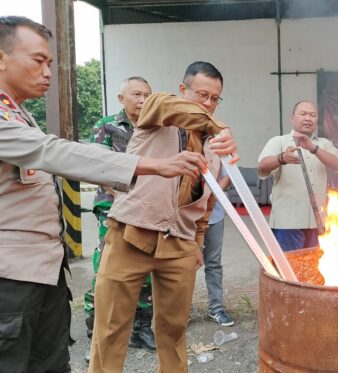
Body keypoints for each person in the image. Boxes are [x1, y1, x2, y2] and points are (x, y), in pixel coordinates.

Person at [0, 16, 214, 372]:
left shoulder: (19, 115)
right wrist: (154, 165)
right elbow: (55, 152)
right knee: (105, 332)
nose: (48, 72)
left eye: (51, 63)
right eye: (39, 61)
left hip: (45, 273)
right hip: (12, 278)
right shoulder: (157, 110)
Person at [89, 61, 237, 372]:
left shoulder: (213, 147)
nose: (208, 104)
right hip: (131, 234)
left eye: (215, 98)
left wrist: (197, 243)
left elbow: (206, 204)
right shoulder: (157, 109)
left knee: (173, 332)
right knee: (111, 330)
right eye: (202, 95)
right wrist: (218, 125)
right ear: (183, 90)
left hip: (180, 246)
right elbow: (173, 106)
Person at [84, 77, 155, 358]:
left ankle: (140, 327)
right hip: (112, 207)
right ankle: (95, 326)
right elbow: (96, 165)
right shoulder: (107, 126)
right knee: (108, 266)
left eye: (147, 95)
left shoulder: (155, 127)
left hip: (147, 210)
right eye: (136, 94)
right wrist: (122, 198)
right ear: (121, 98)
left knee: (145, 267)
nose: (142, 99)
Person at [257, 100, 338, 251]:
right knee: (289, 271)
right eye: (303, 114)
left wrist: (313, 148)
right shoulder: (279, 142)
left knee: (316, 271)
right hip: (288, 224)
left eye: (312, 115)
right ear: (292, 118)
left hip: (318, 224)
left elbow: (337, 164)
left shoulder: (324, 144)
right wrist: (281, 158)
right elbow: (262, 165)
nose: (308, 118)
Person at [201, 168, 234, 326]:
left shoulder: (217, 145)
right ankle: (182, 309)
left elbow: (227, 176)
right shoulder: (185, 144)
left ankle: (216, 308)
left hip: (215, 214)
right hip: (187, 214)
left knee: (213, 263)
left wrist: (211, 196)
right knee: (183, 264)